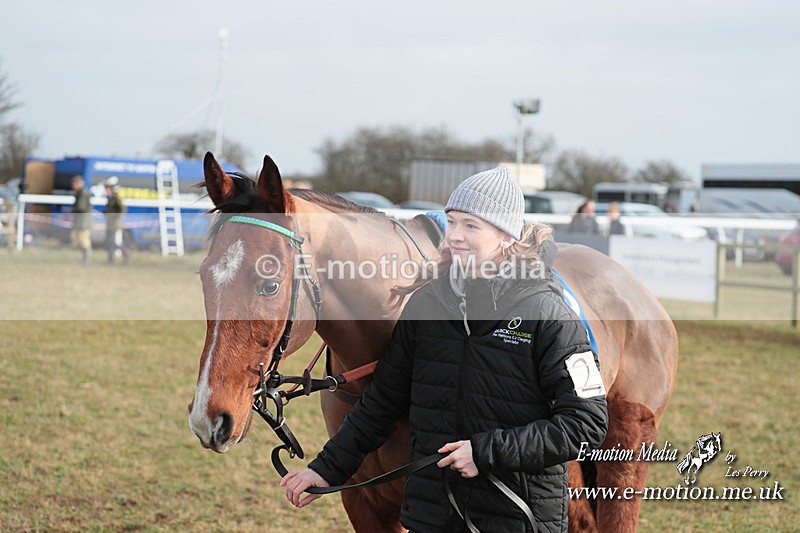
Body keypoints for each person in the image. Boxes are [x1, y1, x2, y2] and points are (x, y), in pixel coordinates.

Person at [281, 167, 609, 532]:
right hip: (434, 517)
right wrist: (325, 470)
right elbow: (383, 400)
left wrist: (485, 453)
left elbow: (586, 423)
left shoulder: (549, 314)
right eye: (452, 222)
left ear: (505, 235)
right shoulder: (426, 305)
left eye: (471, 226)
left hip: (518, 518)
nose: (454, 236)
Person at [103, 176, 129, 263]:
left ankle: (126, 253)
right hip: (109, 223)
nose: (106, 190)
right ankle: (111, 259)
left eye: (108, 188)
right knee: (109, 242)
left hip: (114, 224)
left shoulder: (115, 197)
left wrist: (119, 219)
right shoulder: (109, 199)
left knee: (114, 242)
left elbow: (122, 209)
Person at [70, 175, 92, 264]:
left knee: (84, 240)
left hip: (83, 221)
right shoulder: (79, 193)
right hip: (80, 221)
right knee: (78, 238)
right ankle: (84, 259)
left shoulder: (82, 193)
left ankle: (86, 259)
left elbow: (81, 207)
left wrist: (72, 209)